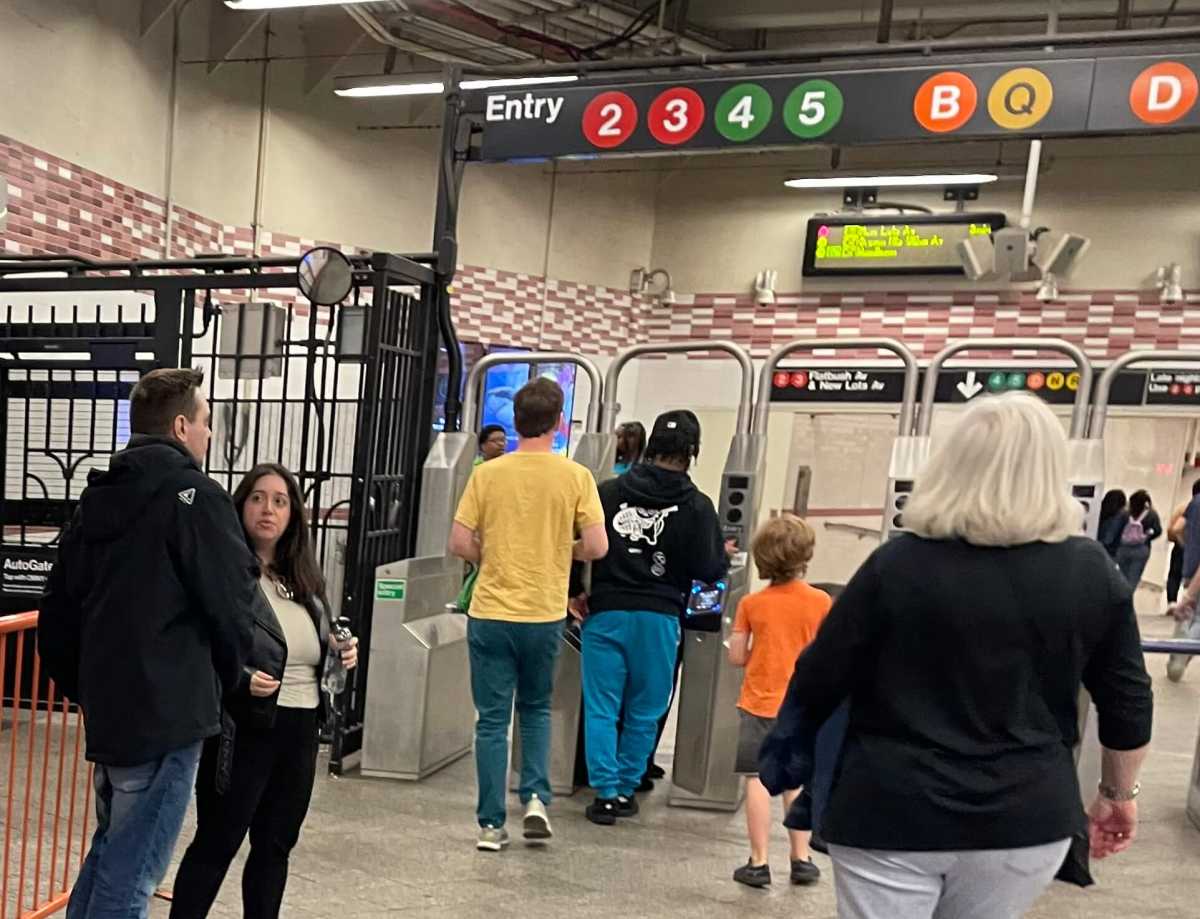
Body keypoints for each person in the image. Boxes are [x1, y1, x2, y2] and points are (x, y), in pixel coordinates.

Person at [761, 393, 1152, 919]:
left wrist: (789, 752)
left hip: (889, 807)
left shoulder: (897, 565)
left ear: (950, 464)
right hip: (1024, 816)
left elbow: (821, 672)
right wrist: (1118, 794)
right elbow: (1127, 699)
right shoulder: (1090, 571)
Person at [38, 368, 258, 919]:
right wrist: (225, 680)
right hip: (168, 715)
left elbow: (57, 614)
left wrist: (89, 689)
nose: (210, 433)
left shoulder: (98, 498)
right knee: (134, 874)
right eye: (206, 421)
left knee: (111, 853)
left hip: (113, 715)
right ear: (181, 426)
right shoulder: (196, 499)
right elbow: (234, 605)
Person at [170, 464, 358, 918]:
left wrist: (338, 649)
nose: (267, 509)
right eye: (257, 498)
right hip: (246, 726)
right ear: (240, 506)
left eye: (279, 501)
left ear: (293, 513)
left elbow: (310, 643)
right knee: (218, 841)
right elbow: (199, 646)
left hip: (301, 725)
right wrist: (239, 678)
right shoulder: (228, 573)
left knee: (275, 845)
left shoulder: (302, 578)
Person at [449, 377, 608, 852]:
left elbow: (458, 541)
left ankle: (490, 825)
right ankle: (536, 798)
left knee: (491, 721)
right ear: (559, 422)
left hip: (491, 613)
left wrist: (494, 554)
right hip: (543, 614)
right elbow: (597, 546)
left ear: (516, 421)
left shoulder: (487, 474)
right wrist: (560, 549)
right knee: (536, 709)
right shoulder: (575, 477)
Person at [571, 410, 729, 825]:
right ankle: (626, 789)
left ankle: (604, 794)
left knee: (602, 706)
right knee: (645, 709)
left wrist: (574, 593)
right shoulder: (698, 506)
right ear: (692, 451)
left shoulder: (608, 492)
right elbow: (709, 569)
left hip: (605, 612)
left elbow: (577, 543)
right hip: (660, 618)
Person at [728, 515, 831, 888]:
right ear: (805, 556)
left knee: (757, 780)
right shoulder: (821, 602)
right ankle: (801, 859)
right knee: (796, 781)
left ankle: (758, 862)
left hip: (758, 703)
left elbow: (736, 656)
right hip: (802, 707)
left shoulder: (752, 603)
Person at [1113, 489, 1162, 589]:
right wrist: (1147, 537)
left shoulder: (1124, 513)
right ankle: (1128, 595)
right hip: (1141, 550)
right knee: (1133, 578)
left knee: (1121, 576)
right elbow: (1158, 531)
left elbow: (1116, 530)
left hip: (1123, 548)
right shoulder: (1152, 514)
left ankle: (1120, 594)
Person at [1165, 480, 1200, 609]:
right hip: (1193, 548)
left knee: (1174, 574)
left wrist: (1182, 543)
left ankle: (1172, 602)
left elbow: (1173, 529)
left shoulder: (1183, 508)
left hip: (1181, 547)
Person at [1097, 488, 1127, 559]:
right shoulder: (1120, 515)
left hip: (1099, 547)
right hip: (1110, 552)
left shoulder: (1101, 511)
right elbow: (1108, 539)